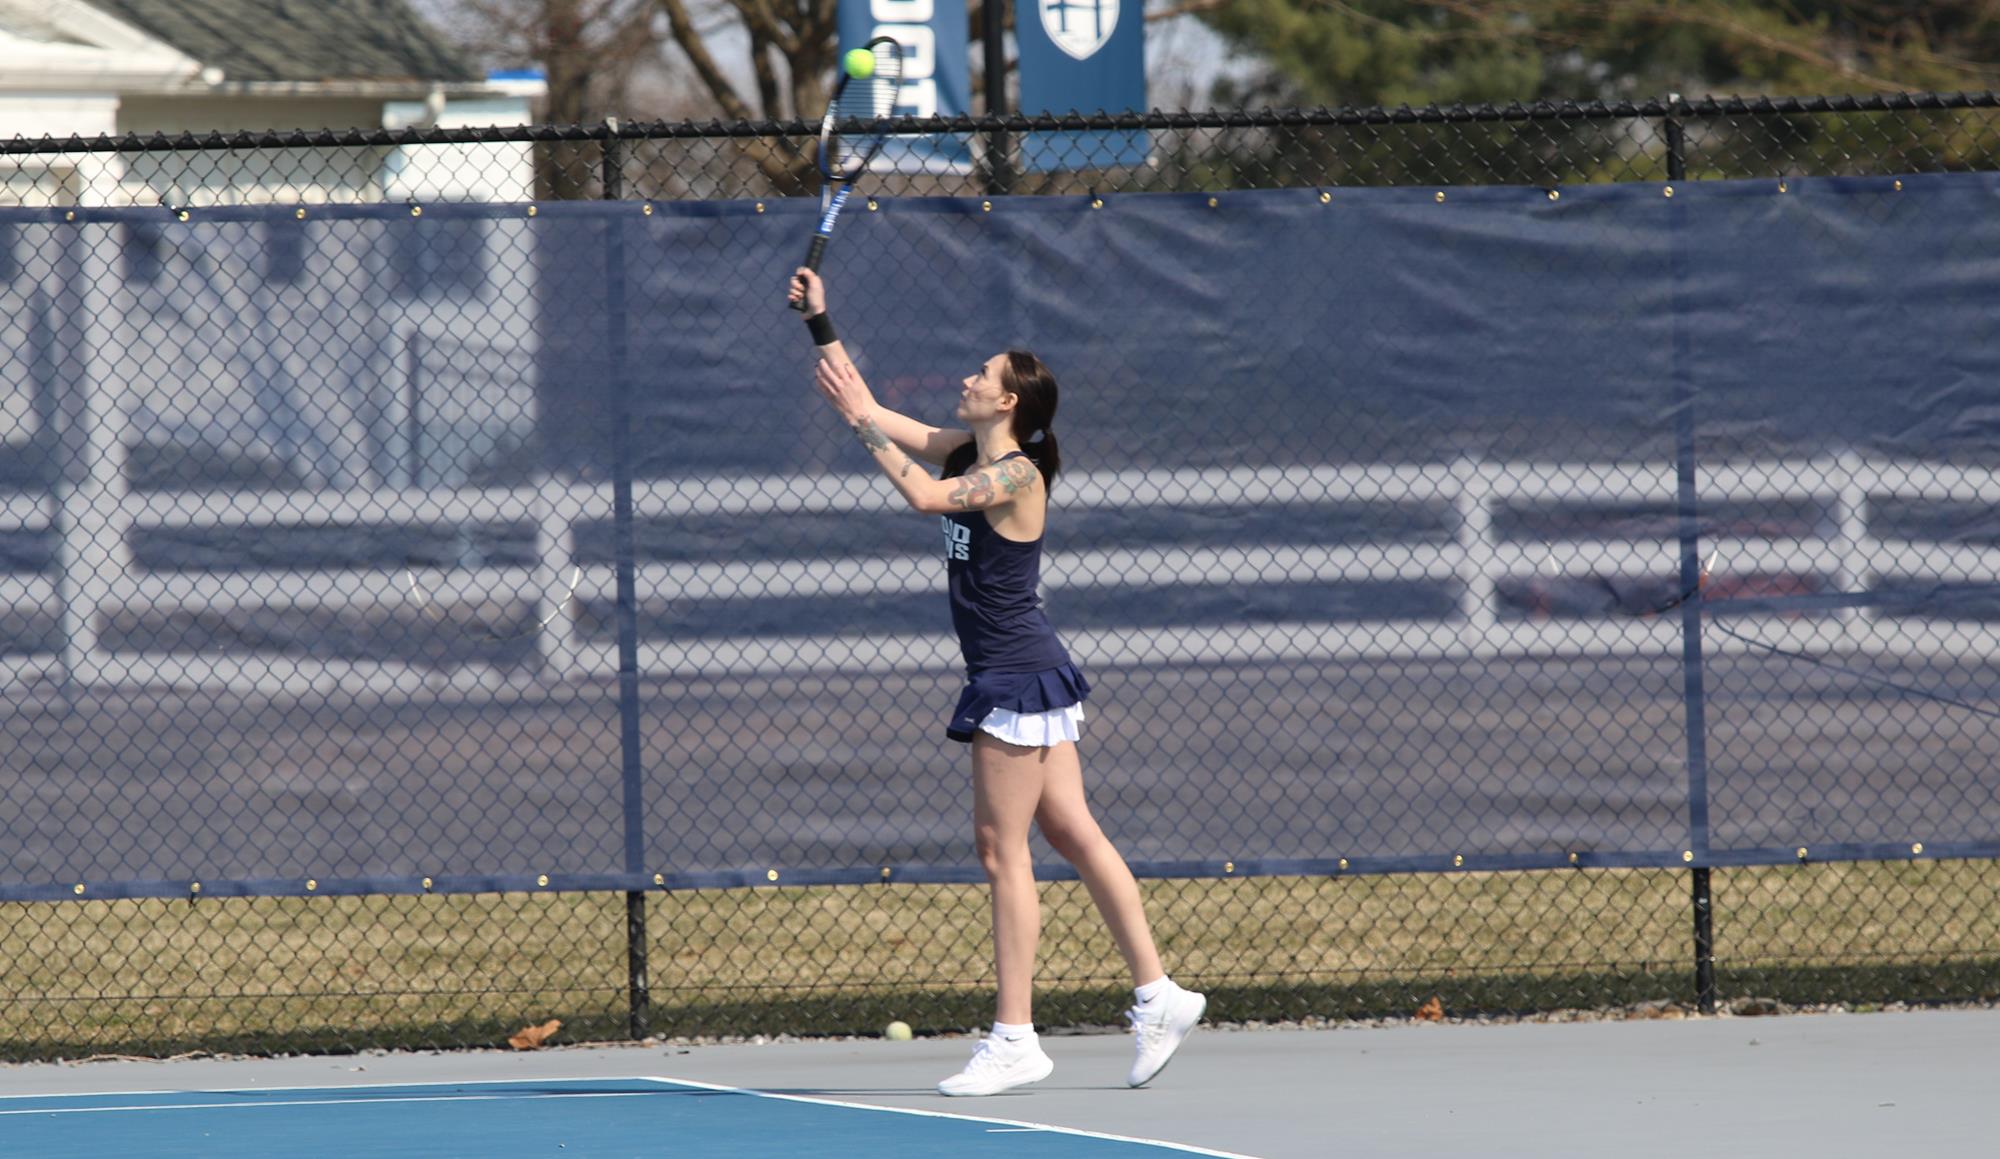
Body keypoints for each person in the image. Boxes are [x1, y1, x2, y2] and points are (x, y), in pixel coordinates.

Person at [787, 267, 1206, 1097]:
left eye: (984, 375)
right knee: (1074, 833)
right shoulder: (968, 444)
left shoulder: (1012, 475)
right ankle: (1160, 996)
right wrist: (822, 323)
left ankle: (1015, 1037)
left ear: (1009, 402)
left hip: (1014, 677)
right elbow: (874, 412)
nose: (970, 380)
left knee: (1000, 849)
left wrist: (860, 427)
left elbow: (925, 497)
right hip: (1028, 669)